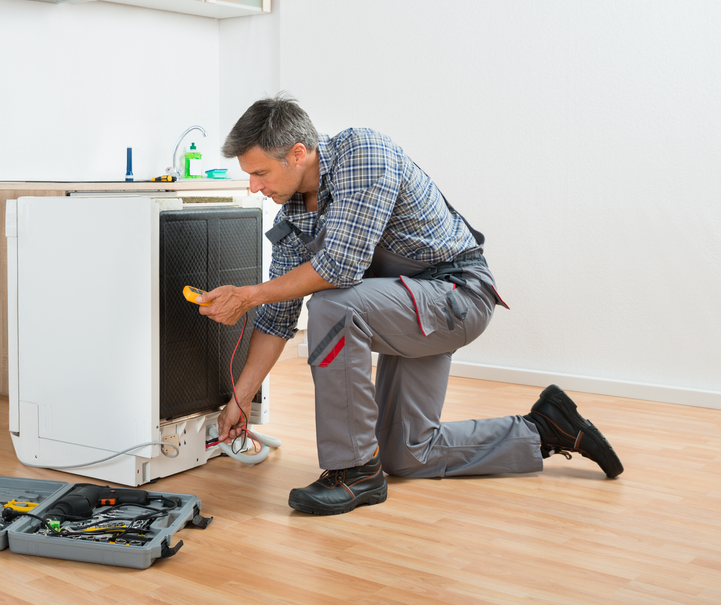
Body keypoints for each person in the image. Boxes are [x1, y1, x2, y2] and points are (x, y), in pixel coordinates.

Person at [197, 96, 623, 516]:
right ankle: (546, 428)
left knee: (332, 305)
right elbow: (276, 318)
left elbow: (340, 268)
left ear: (297, 153)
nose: (253, 186)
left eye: (260, 173)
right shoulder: (291, 218)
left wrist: (250, 293)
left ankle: (353, 470)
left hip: (455, 294)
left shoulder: (363, 154)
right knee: (406, 454)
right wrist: (241, 397)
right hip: (402, 305)